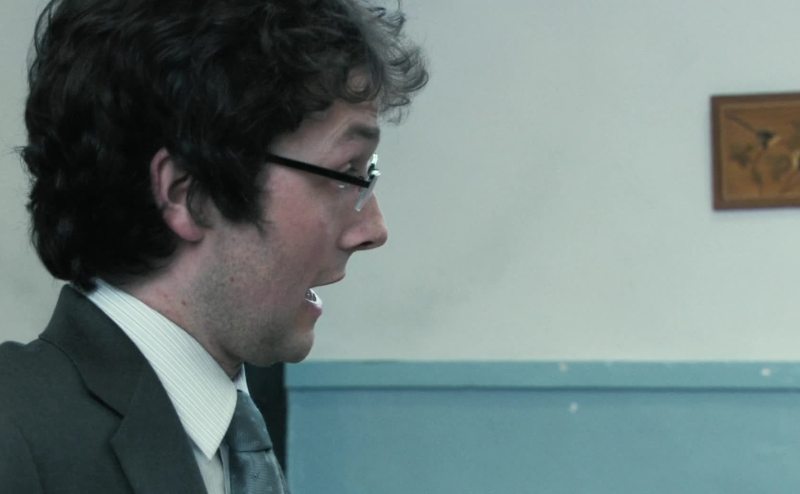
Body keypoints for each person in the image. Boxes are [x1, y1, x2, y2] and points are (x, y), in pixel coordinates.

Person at [0, 0, 427, 492]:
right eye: (346, 172)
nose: (373, 229)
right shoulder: (14, 441)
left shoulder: (233, 438)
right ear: (190, 194)